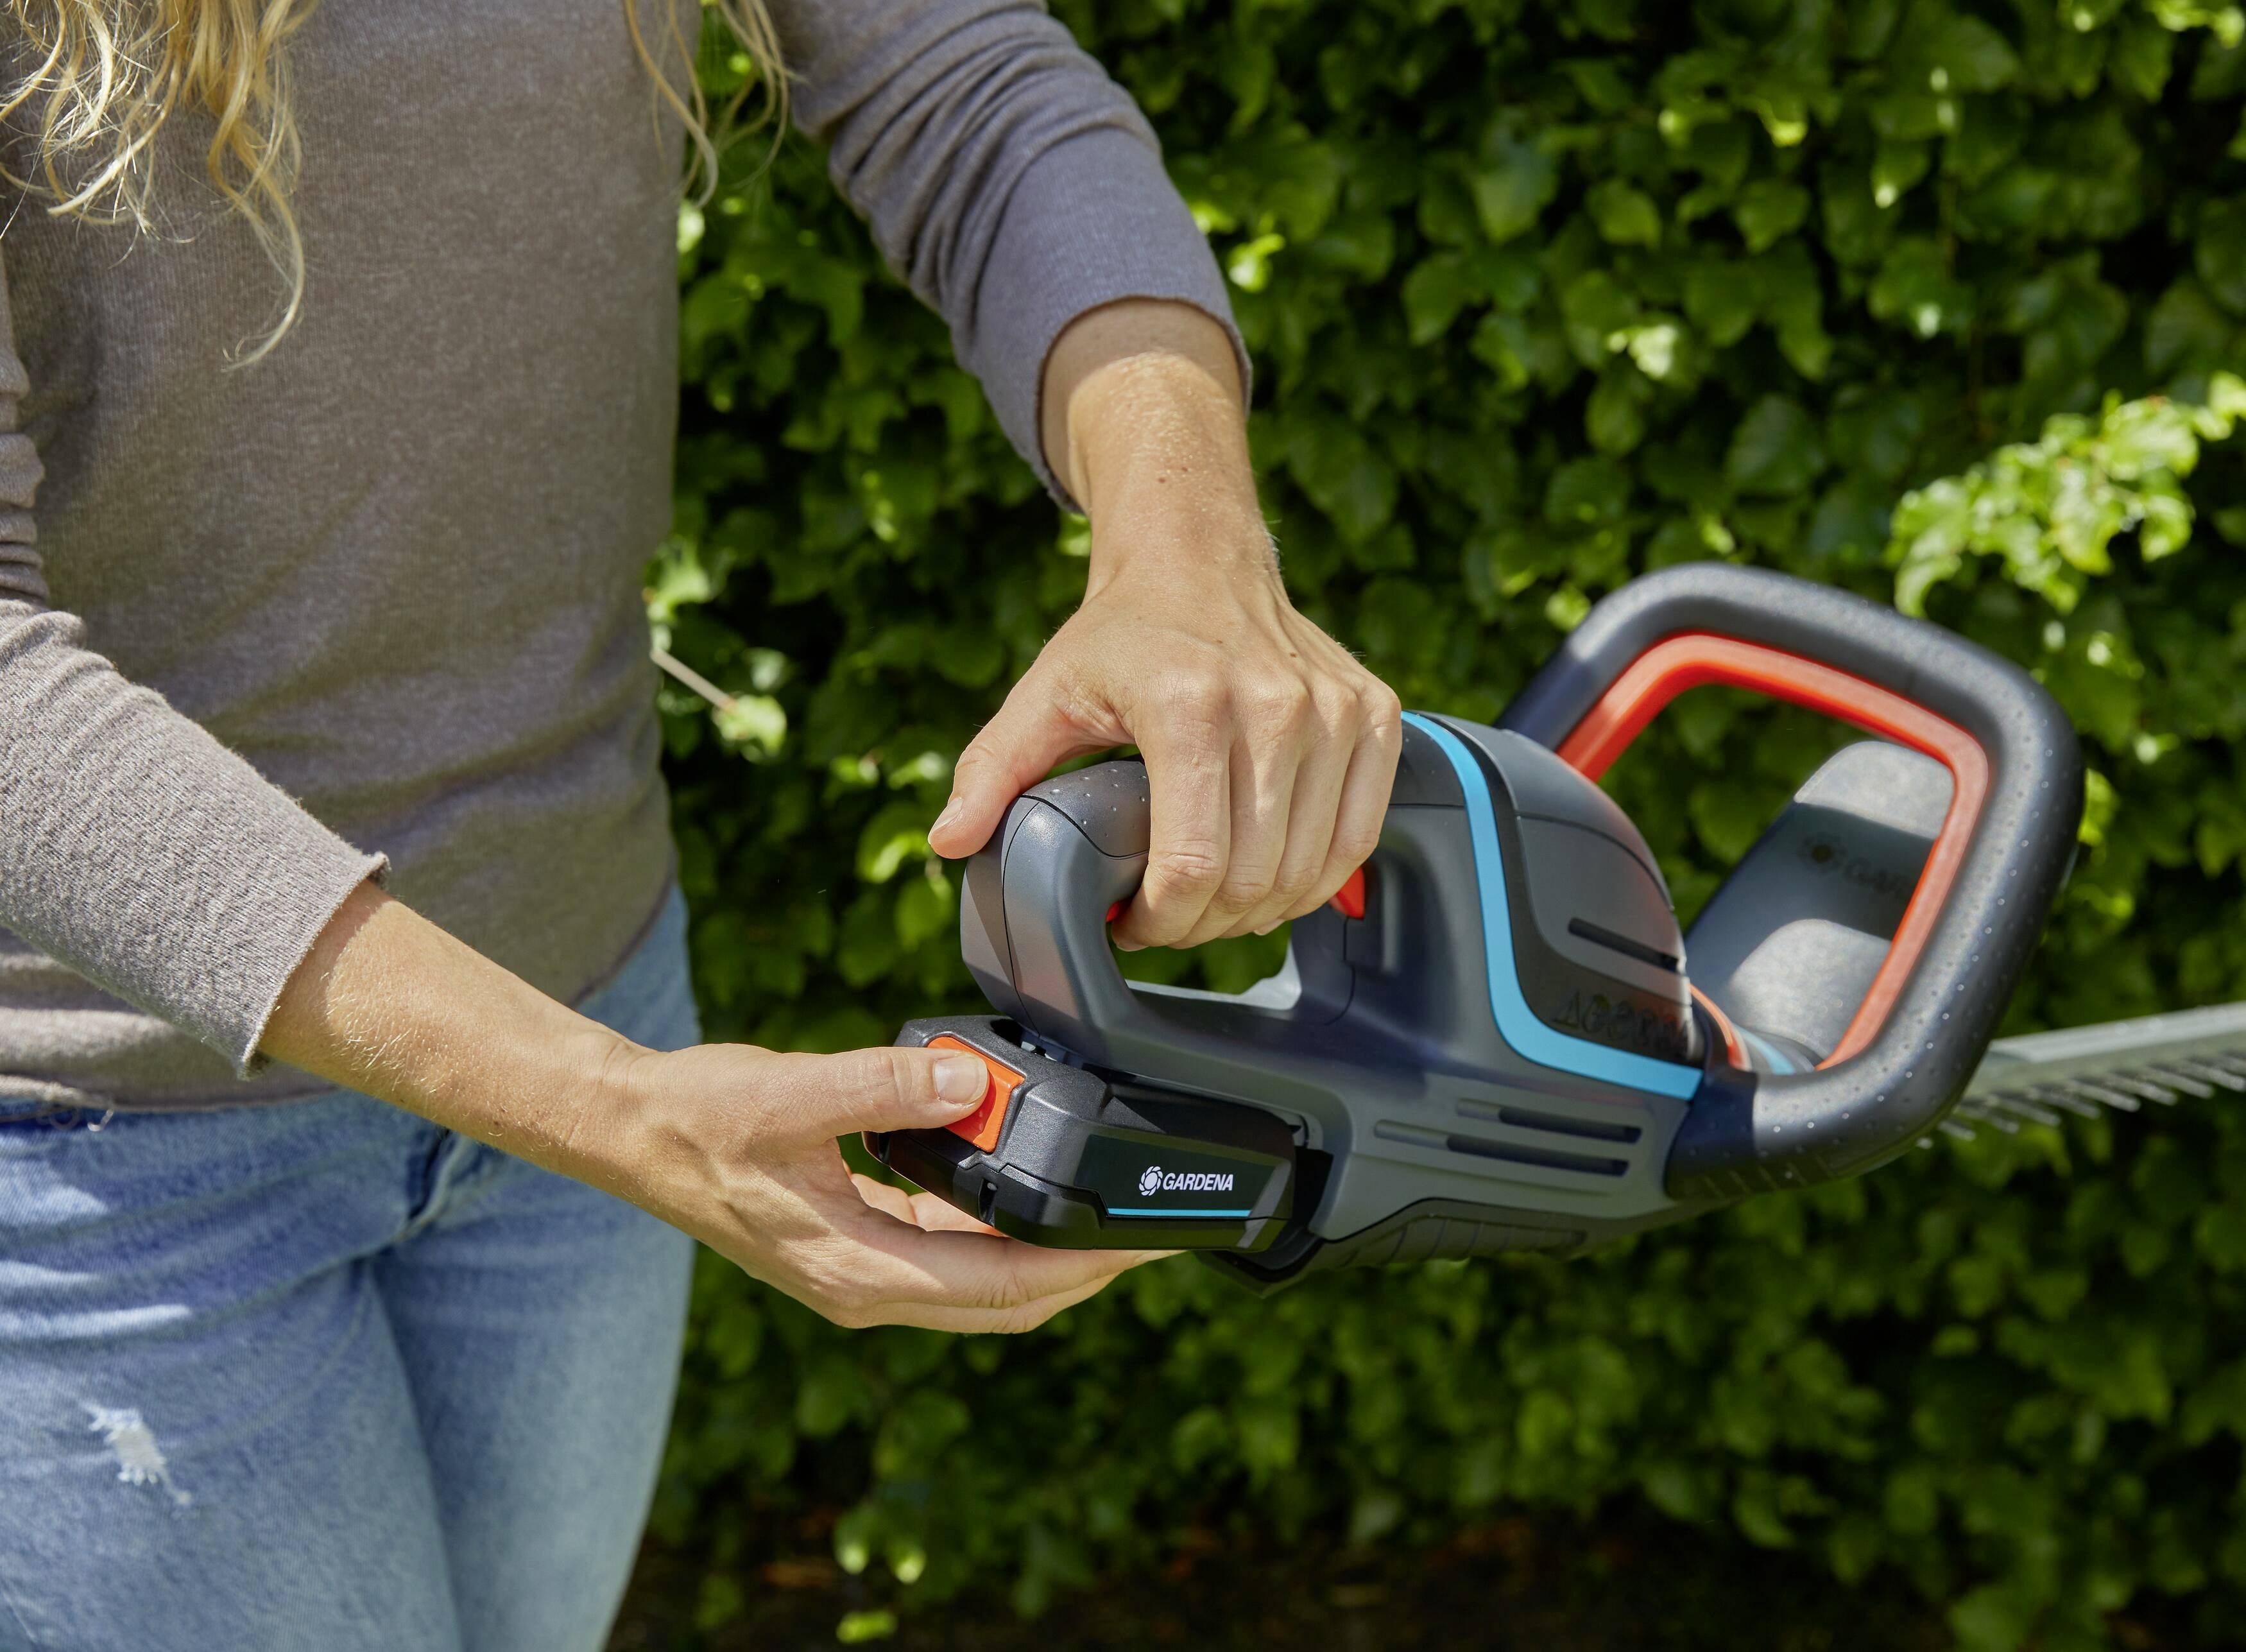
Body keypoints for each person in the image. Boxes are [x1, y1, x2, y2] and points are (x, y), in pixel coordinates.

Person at [0, 2, 1401, 1648]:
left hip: (587, 998)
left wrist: (1190, 551)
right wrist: (618, 1115)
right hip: (103, 1160)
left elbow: (968, 84)